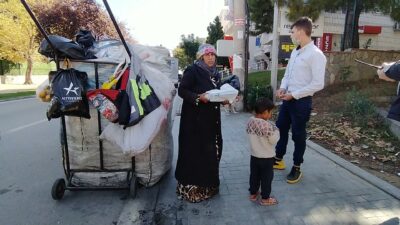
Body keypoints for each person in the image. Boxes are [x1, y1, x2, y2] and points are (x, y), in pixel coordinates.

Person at [273, 17, 327, 184]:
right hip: (288, 99)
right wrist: (283, 87)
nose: (291, 34)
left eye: (293, 30)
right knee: (280, 127)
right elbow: (288, 75)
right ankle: (279, 158)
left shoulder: (316, 55)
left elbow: (318, 83)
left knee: (298, 135)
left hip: (301, 102)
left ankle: (297, 166)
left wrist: (294, 95)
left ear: (302, 32)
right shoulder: (295, 51)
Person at [175, 43, 225, 203]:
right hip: (194, 123)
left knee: (209, 154)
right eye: (207, 55)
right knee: (194, 154)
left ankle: (209, 186)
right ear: (201, 57)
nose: (211, 57)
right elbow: (182, 90)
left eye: (213, 55)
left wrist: (224, 100)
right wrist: (198, 97)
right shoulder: (193, 70)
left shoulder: (215, 74)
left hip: (211, 122)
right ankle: (191, 189)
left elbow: (214, 95)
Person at [246, 98, 279, 206]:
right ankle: (265, 198)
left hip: (254, 156)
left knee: (254, 175)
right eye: (270, 112)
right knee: (266, 178)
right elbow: (273, 140)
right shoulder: (268, 126)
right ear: (265, 112)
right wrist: (276, 130)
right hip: (267, 158)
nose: (271, 115)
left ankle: (253, 193)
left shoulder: (250, 121)